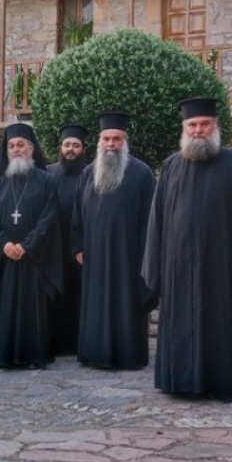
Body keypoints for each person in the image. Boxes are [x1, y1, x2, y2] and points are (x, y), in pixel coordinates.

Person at [143, 98, 232, 400]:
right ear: (184, 129)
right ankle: (179, 380)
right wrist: (154, 267)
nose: (198, 130)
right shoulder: (170, 166)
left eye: (204, 124)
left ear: (216, 127)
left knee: (222, 326)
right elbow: (156, 220)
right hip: (178, 268)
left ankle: (223, 383)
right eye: (192, 125)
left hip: (222, 268)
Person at [71, 112, 156, 370]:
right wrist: (78, 246)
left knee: (126, 304)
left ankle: (128, 355)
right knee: (95, 303)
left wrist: (147, 254)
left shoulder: (142, 173)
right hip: (94, 254)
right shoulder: (87, 173)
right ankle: (93, 352)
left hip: (128, 256)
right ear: (99, 141)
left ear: (125, 141)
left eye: (116, 139)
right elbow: (77, 213)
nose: (110, 144)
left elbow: (152, 217)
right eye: (106, 138)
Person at [0, 124, 61, 369]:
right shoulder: (0, 185)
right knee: (7, 308)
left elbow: (49, 219)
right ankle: (6, 356)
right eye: (11, 146)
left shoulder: (46, 181)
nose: (16, 150)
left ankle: (34, 356)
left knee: (34, 309)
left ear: (31, 149)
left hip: (34, 259)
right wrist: (5, 244)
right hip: (7, 259)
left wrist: (27, 245)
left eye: (21, 145)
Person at [51, 122, 89, 357]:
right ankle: (55, 343)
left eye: (76, 145)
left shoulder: (91, 174)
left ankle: (79, 343)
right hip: (53, 246)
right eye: (67, 145)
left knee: (79, 296)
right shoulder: (47, 172)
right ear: (60, 147)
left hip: (80, 248)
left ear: (83, 149)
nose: (71, 149)